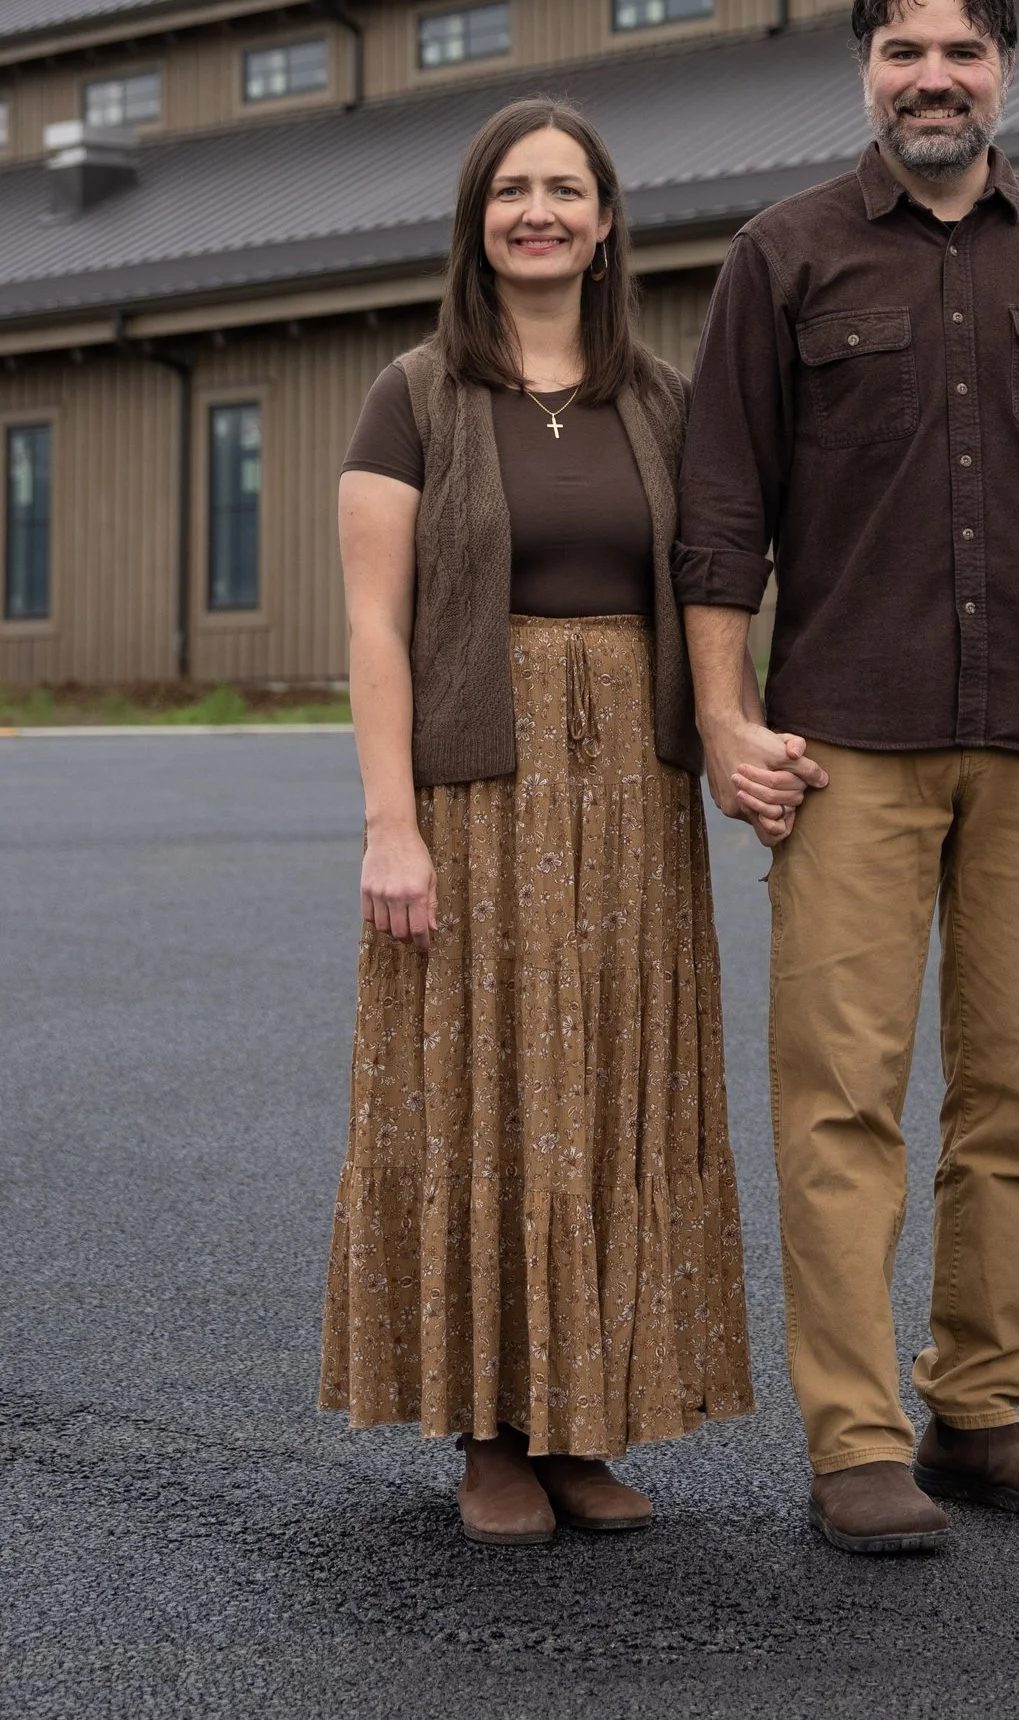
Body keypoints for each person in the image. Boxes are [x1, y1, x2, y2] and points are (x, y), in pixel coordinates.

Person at [673, 0, 1019, 1557]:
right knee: (840, 1100)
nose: (932, 77)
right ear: (865, 72)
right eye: (903, 50)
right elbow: (719, 520)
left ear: (1006, 71)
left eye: (960, 51)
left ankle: (979, 1410)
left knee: (1009, 1097)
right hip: (852, 742)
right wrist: (723, 719)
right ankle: (855, 1440)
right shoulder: (784, 257)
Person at [321, 98, 753, 1547]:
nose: (539, 213)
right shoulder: (416, 393)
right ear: (477, 221)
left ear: (608, 221)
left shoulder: (663, 399)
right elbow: (377, 627)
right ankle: (489, 1434)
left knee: (615, 1090)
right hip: (477, 790)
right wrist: (393, 825)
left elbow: (711, 591)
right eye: (512, 191)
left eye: (567, 189)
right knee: (488, 1098)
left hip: (632, 793)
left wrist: (738, 734)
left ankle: (586, 1420)